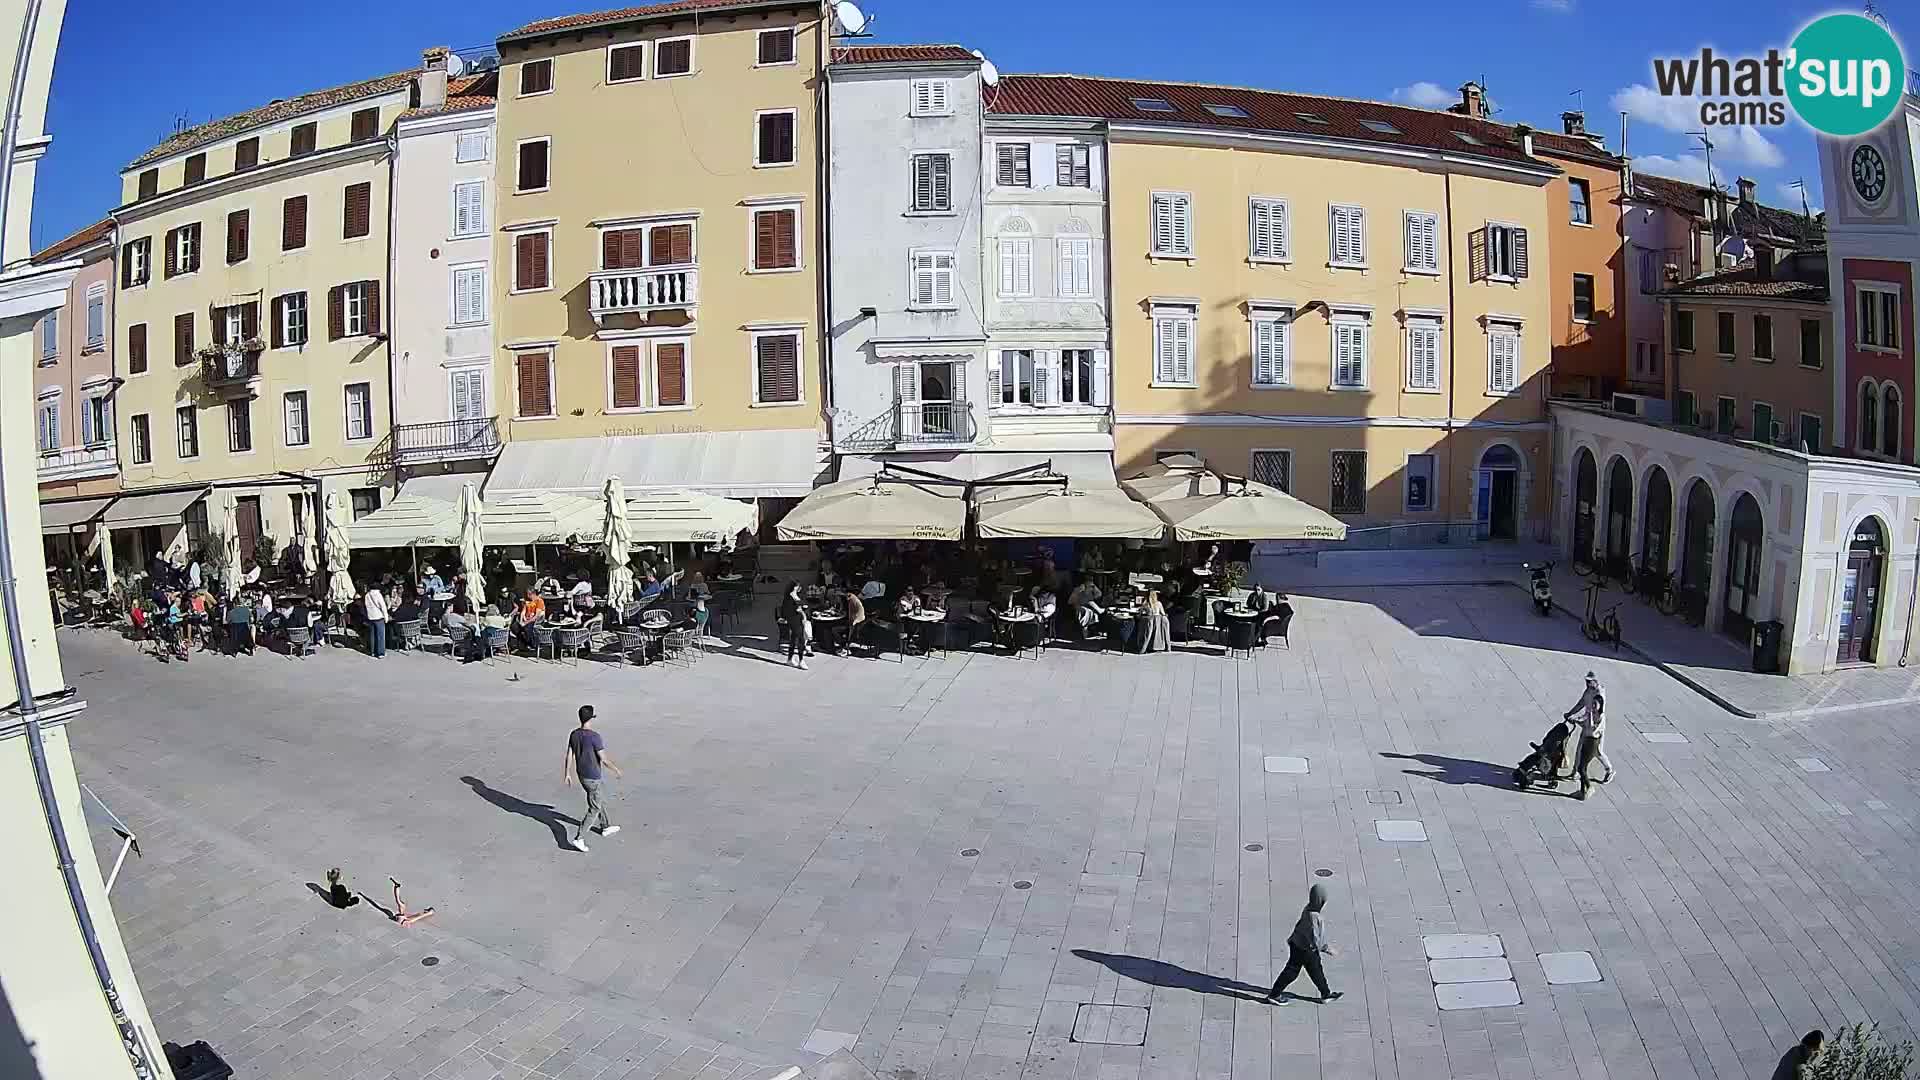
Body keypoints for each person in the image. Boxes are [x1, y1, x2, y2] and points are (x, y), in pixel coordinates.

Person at [1264, 883, 1342, 1004]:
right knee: (1293, 971)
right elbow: (1317, 939)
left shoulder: (1308, 908)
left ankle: (1326, 993)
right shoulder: (1315, 917)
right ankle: (1274, 995)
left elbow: (1300, 926)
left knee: (1314, 971)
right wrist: (1327, 948)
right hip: (1306, 949)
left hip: (1297, 944)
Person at [562, 705, 622, 853]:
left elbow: (570, 754)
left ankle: (605, 826)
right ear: (591, 718)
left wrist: (567, 773)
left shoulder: (574, 734)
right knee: (594, 807)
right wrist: (616, 770)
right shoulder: (594, 737)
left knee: (598, 798)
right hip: (593, 776)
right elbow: (604, 759)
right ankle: (579, 838)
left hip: (581, 774)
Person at [1563, 672, 1613, 800]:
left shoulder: (1599, 695)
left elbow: (1594, 717)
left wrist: (1580, 720)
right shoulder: (1588, 691)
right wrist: (1571, 714)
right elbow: (1581, 704)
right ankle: (1575, 773)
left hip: (1595, 731)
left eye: (1589, 682)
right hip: (1587, 724)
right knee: (1580, 749)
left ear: (1595, 682)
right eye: (1586, 681)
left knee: (1598, 752)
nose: (1587, 684)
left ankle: (1609, 770)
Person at [778, 581, 812, 669]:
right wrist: (799, 607)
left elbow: (803, 604)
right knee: (800, 639)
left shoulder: (795, 595)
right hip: (793, 619)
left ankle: (790, 659)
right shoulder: (790, 596)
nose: (798, 588)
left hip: (798, 619)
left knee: (793, 639)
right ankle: (801, 660)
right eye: (797, 586)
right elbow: (790, 607)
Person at [362, 582, 389, 658]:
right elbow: (383, 607)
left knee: (372, 635)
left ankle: (372, 651)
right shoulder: (378, 595)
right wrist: (386, 617)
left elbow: (366, 606)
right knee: (380, 635)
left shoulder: (367, 595)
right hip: (379, 617)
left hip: (370, 617)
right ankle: (380, 653)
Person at [842, 588, 867, 654]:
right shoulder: (855, 599)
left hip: (856, 621)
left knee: (836, 629)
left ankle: (845, 646)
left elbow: (851, 614)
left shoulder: (852, 600)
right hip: (860, 620)